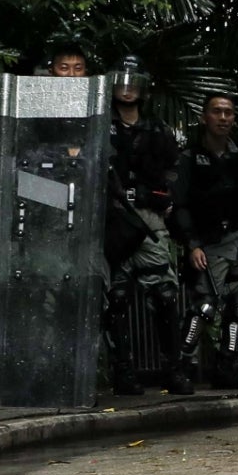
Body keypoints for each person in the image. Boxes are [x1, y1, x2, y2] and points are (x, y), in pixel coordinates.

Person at [171, 91, 238, 392]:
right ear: (205, 116)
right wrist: (192, 243)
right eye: (217, 112)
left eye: (228, 112)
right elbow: (179, 205)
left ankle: (227, 366)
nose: (223, 118)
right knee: (204, 306)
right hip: (209, 241)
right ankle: (181, 366)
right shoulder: (190, 158)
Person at [102, 58, 186, 395]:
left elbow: (175, 170)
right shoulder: (101, 126)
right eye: (121, 80)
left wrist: (165, 197)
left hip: (149, 218)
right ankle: (124, 371)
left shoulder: (157, 130)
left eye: (133, 81)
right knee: (116, 297)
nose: (126, 87)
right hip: (113, 219)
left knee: (165, 294)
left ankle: (174, 369)